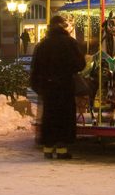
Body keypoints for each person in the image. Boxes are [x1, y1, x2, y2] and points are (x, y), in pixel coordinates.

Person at [30, 14, 86, 159]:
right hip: (65, 86)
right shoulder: (70, 43)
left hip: (49, 87)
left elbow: (35, 69)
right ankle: (62, 150)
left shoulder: (42, 45)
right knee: (64, 118)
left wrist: (40, 87)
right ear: (64, 27)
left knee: (49, 117)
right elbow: (80, 64)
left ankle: (48, 149)